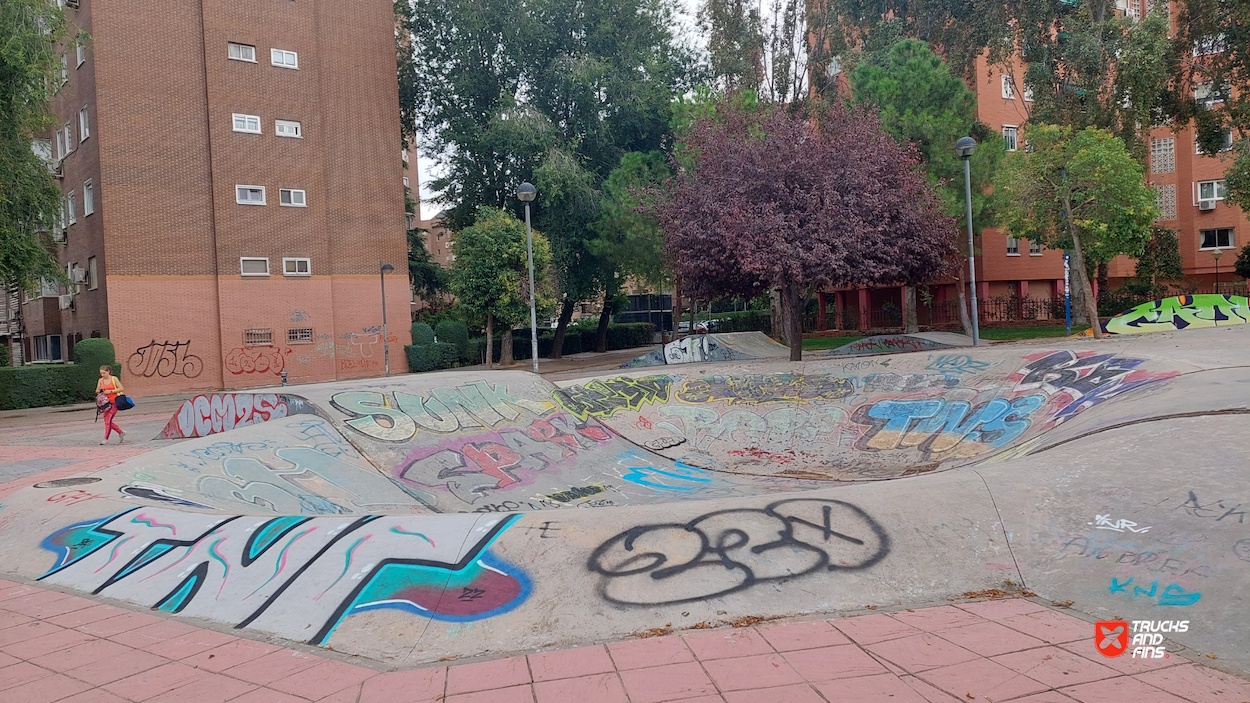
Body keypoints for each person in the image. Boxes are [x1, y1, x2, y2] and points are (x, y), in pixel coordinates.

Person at [96, 365, 125, 444]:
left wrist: (111, 391)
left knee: (108, 420)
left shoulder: (114, 379)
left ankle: (105, 439)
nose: (102, 375)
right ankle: (121, 432)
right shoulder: (100, 380)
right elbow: (97, 390)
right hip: (105, 403)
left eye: (104, 373)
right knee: (106, 421)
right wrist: (100, 390)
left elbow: (121, 388)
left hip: (114, 402)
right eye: (101, 373)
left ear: (108, 371)